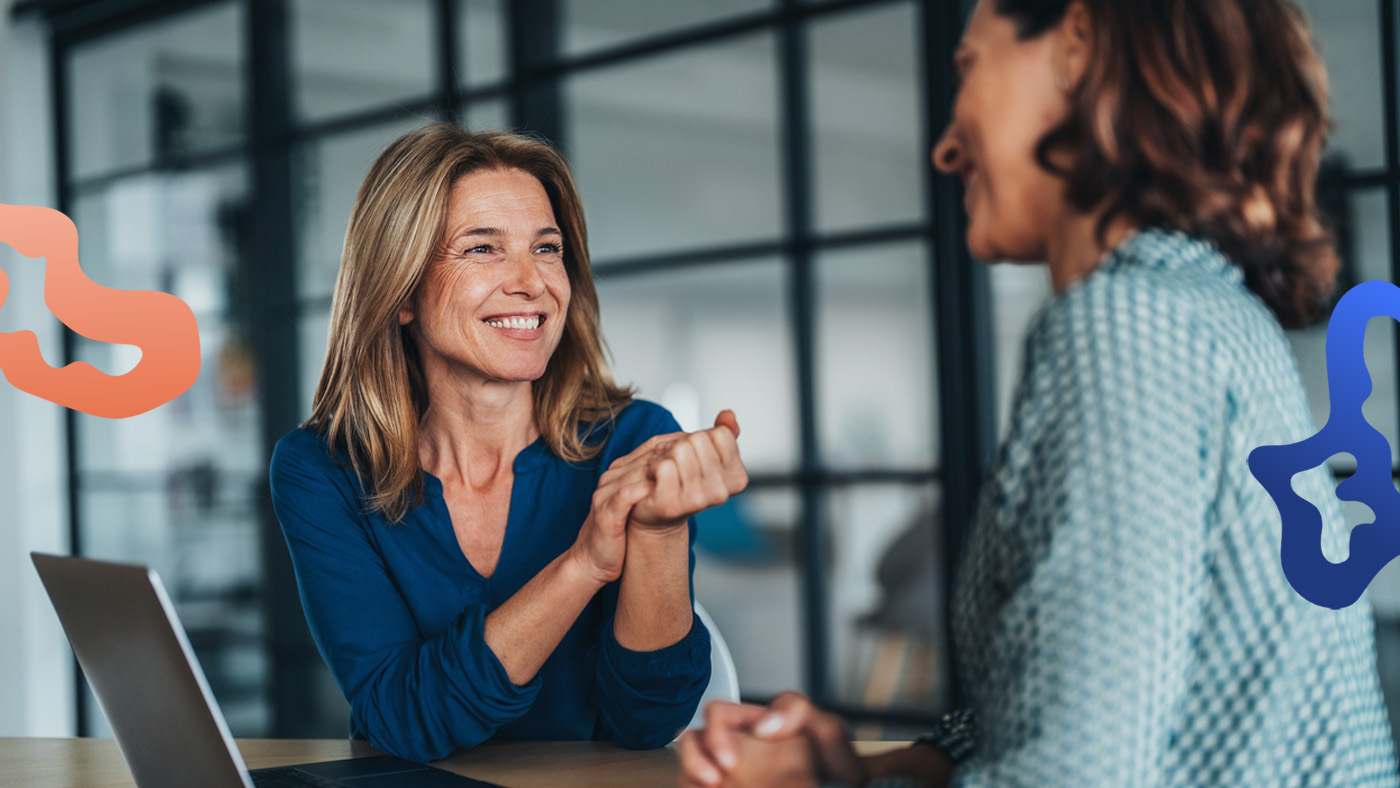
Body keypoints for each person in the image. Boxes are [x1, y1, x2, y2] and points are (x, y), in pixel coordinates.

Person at [679, 1, 1400, 786]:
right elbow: (1087, 700)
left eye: (968, 69)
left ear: (1078, 47)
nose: (946, 146)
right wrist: (891, 767)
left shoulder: (1126, 328)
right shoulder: (1209, 311)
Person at [270, 123, 748, 763]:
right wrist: (582, 566)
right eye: (482, 249)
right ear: (401, 289)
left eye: (547, 249)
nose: (531, 282)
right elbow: (403, 722)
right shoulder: (322, 470)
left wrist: (658, 534)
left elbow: (647, 720)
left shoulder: (635, 441)